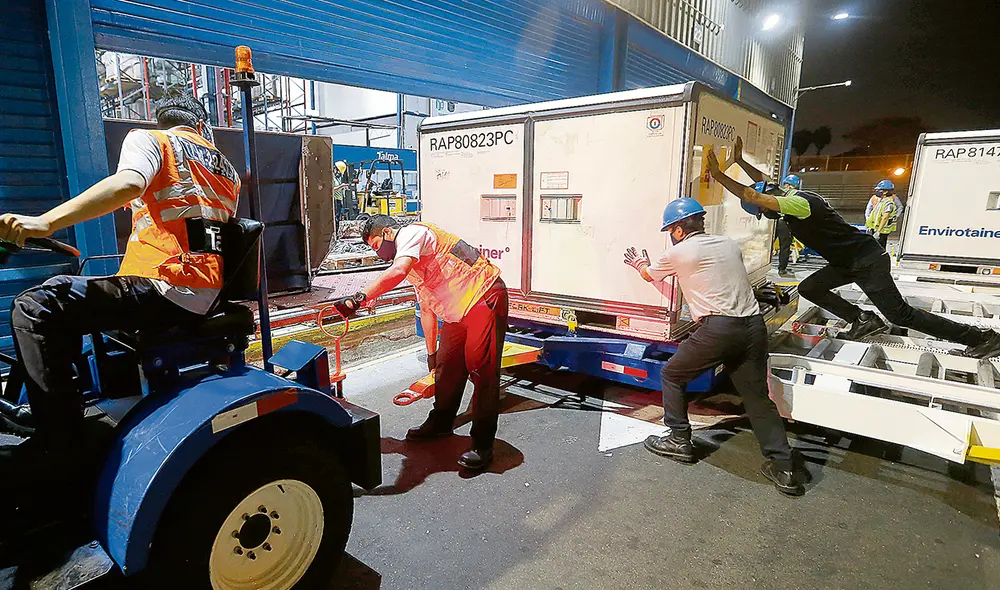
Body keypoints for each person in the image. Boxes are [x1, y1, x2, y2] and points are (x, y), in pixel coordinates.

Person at [0, 96, 240, 459]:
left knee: (36, 307)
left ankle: (60, 442)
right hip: (205, 287)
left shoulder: (153, 141)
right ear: (203, 126)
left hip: (165, 284)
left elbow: (128, 185)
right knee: (63, 293)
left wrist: (45, 222)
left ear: (163, 122)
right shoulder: (229, 171)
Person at [706, 142, 1000, 358]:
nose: (766, 215)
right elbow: (763, 186)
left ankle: (980, 338)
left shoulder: (797, 204)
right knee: (810, 287)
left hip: (866, 260)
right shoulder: (790, 196)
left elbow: (753, 193)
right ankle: (862, 319)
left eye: (762, 210)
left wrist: (718, 175)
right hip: (848, 261)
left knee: (901, 315)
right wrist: (740, 161)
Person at [623, 198, 803, 496]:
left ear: (678, 230)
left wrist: (639, 262)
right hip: (753, 326)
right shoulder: (729, 244)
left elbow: (648, 274)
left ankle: (679, 439)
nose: (670, 234)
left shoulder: (679, 252)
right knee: (757, 397)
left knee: (672, 375)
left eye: (670, 229)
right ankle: (783, 467)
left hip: (719, 329)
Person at [332, 215, 508, 470]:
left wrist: (358, 299)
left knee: (481, 368)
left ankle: (482, 444)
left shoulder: (412, 234)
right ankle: (440, 423)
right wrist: (431, 354)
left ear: (389, 234)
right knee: (446, 369)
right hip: (457, 313)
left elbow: (397, 270)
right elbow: (427, 310)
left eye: (376, 245)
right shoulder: (416, 267)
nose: (379, 253)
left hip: (484, 295)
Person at [775, 173, 801, 278]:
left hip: (775, 221)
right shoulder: (796, 195)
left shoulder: (778, 192)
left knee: (766, 244)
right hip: (785, 223)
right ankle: (782, 269)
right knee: (784, 247)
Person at [865, 180, 901, 250]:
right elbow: (873, 213)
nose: (877, 192)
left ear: (885, 192)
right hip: (875, 227)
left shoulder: (888, 203)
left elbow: (885, 217)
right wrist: (869, 225)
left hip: (882, 230)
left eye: (879, 190)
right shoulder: (881, 201)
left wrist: (878, 231)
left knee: (879, 247)